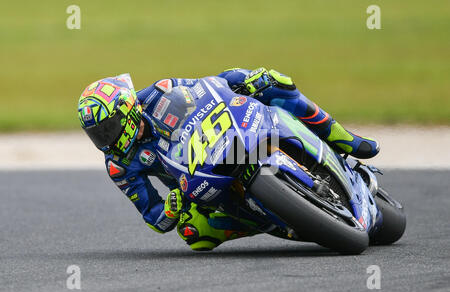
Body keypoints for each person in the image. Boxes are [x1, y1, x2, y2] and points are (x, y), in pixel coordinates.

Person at [77, 68, 379, 251]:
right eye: (97, 134)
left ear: (127, 110)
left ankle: (342, 137)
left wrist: (245, 80)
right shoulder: (118, 165)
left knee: (275, 83)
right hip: (194, 185)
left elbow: (210, 86)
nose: (106, 139)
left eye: (108, 128)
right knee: (194, 235)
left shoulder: (160, 91)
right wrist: (169, 209)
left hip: (224, 139)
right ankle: (272, 221)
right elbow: (153, 217)